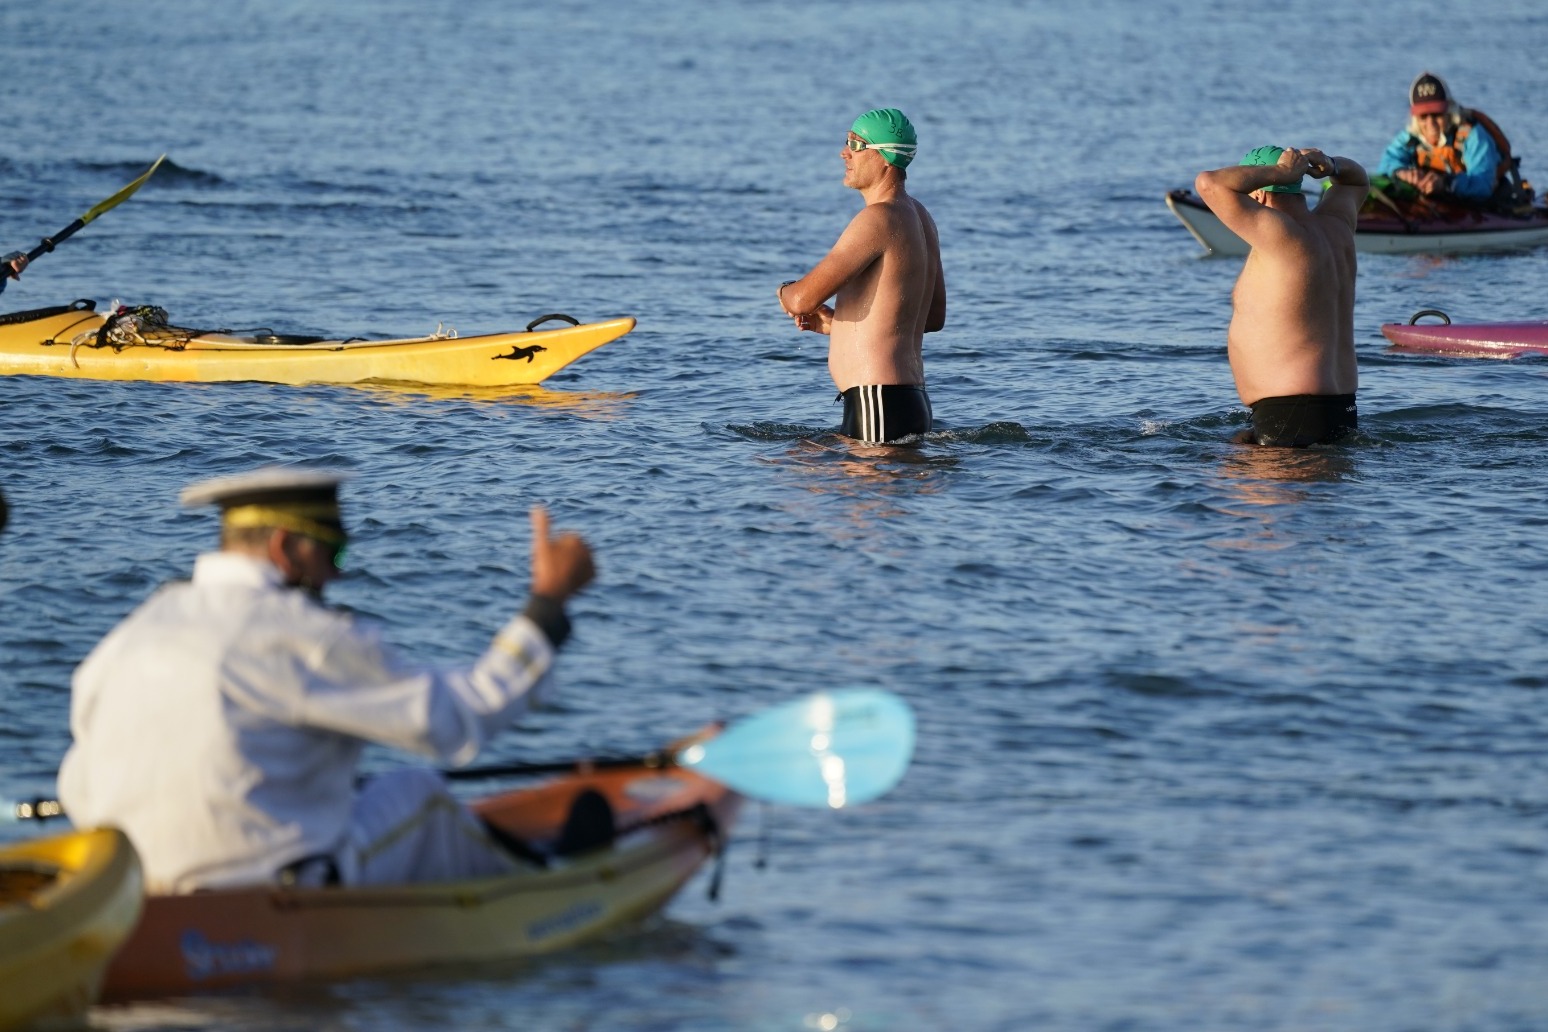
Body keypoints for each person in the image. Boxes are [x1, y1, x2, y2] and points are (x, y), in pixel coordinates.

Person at [57, 467, 604, 894]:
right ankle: (551, 887)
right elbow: (458, 719)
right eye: (334, 553)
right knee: (422, 794)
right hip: (264, 892)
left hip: (127, 890)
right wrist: (547, 606)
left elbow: (78, 789)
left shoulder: (131, 634)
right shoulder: (302, 634)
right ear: (286, 550)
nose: (340, 574)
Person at [778, 107, 946, 444]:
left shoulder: (877, 218)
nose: (844, 152)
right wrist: (838, 325)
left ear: (885, 158)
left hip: (877, 401)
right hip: (908, 400)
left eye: (856, 144)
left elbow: (802, 299)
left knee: (793, 481)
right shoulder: (921, 217)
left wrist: (783, 291)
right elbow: (930, 318)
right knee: (805, 469)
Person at [1194, 145, 1368, 448]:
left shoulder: (1280, 234)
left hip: (1292, 411)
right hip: (1342, 410)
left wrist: (1281, 172)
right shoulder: (1337, 225)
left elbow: (1209, 183)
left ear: (1259, 195)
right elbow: (1357, 181)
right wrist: (1331, 165)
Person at [1376, 72, 1528, 209]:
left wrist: (1446, 184)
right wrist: (1401, 173)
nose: (1430, 124)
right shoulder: (1411, 137)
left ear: (1449, 111)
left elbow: (1483, 185)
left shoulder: (1473, 135)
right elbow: (1386, 163)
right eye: (1423, 116)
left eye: (1437, 115)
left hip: (1483, 205)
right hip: (1438, 206)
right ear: (1415, 118)